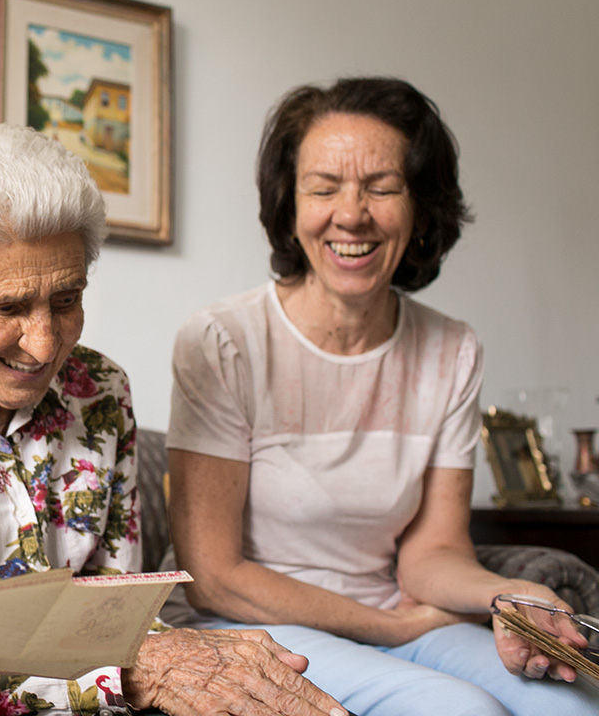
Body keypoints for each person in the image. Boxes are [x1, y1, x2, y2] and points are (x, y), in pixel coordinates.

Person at [0, 122, 350, 716]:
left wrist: (196, 665)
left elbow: (118, 622)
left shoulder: (102, 393)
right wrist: (128, 681)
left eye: (66, 300)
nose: (43, 346)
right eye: (9, 307)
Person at [162, 77, 599, 716]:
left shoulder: (453, 349)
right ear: (290, 206)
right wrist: (388, 627)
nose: (351, 213)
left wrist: (508, 594)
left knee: (575, 704)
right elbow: (214, 576)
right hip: (247, 625)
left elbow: (434, 552)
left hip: (398, 614)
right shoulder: (224, 340)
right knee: (462, 711)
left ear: (421, 207)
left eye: (382, 187)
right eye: (323, 187)